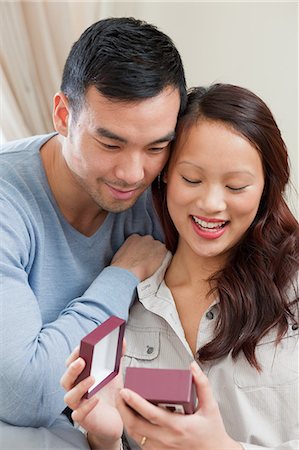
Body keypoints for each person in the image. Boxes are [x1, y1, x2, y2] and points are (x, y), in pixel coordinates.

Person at [61, 83, 299, 450]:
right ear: (166, 174)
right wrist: (105, 438)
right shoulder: (129, 305)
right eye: (192, 179)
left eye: (236, 186)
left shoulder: (292, 289)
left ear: (266, 187)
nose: (211, 203)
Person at [0, 15, 187, 438]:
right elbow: (23, 393)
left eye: (156, 146)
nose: (133, 173)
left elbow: (196, 379)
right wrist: (121, 277)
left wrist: (117, 393)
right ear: (63, 115)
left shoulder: (168, 193)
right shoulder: (8, 202)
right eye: (110, 143)